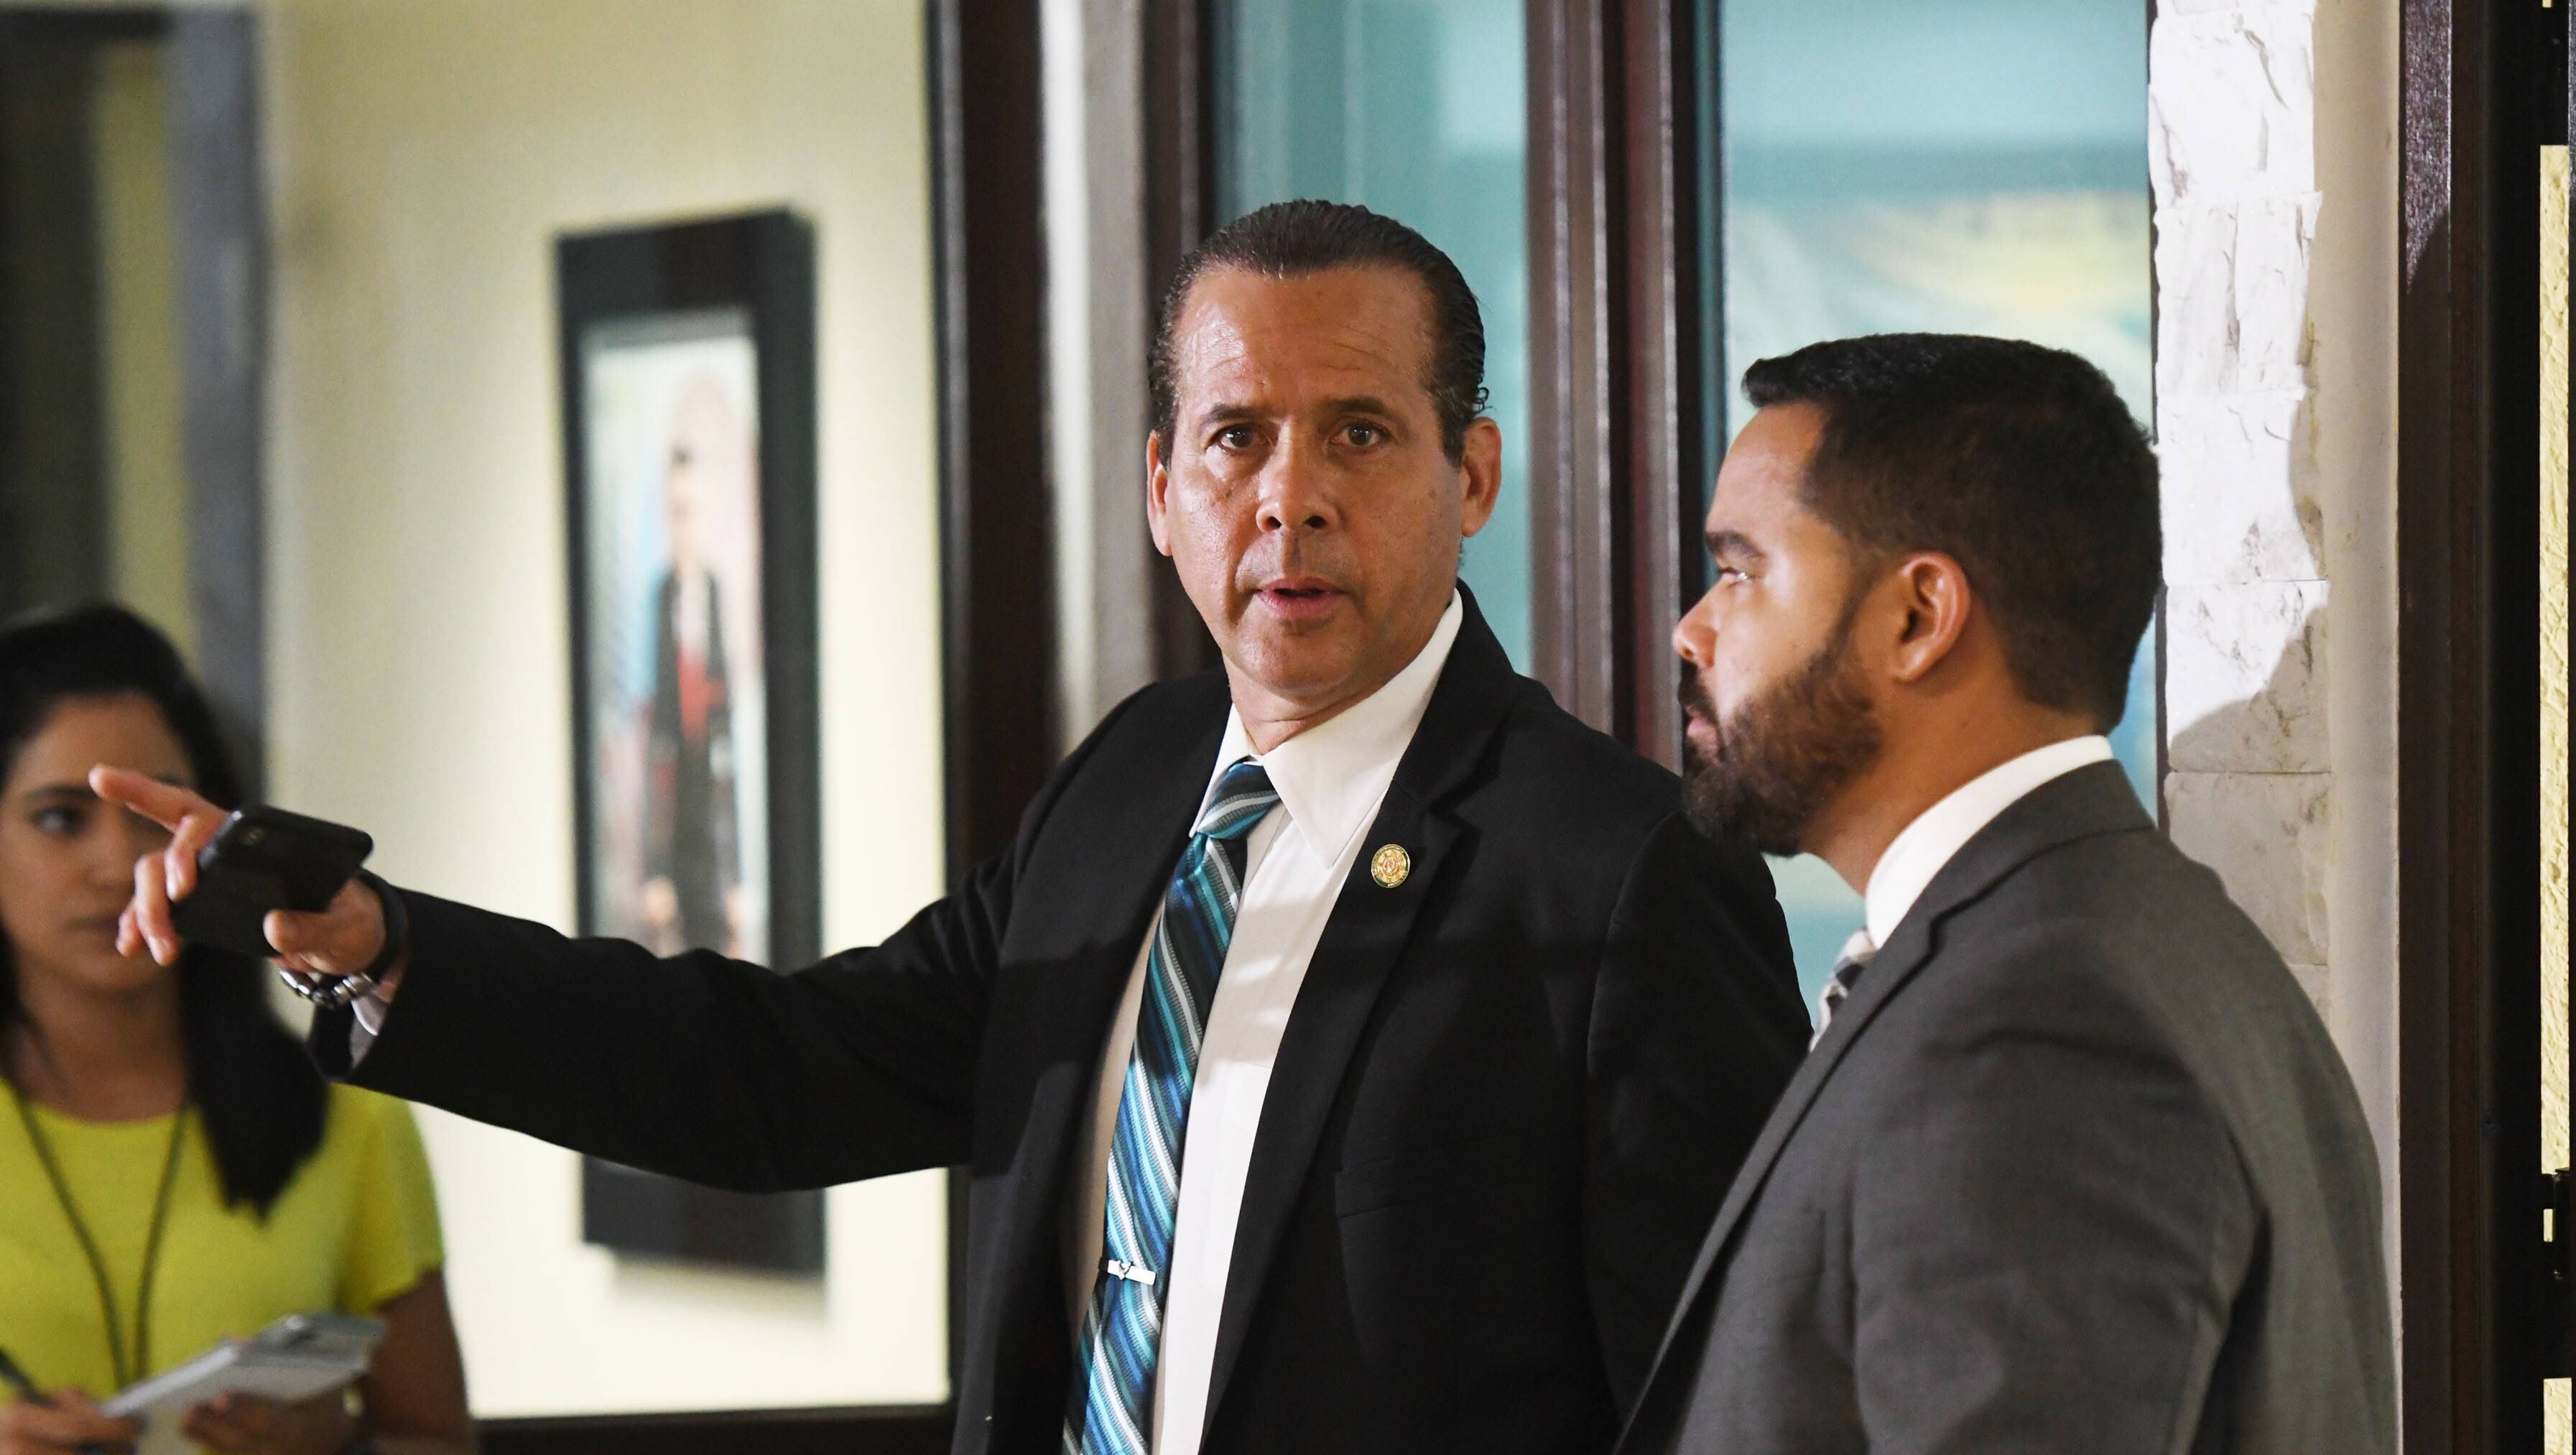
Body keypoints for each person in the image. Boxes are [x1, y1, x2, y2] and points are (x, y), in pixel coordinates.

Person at [103, 202, 1810, 1455]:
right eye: (1237, 438)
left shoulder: (1618, 874)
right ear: (1163, 489)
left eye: (1358, 433)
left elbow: (1733, 1397)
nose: (1290, 496)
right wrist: (386, 948)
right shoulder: (1131, 785)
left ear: (1474, 474)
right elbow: (782, 1072)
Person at [1623, 334, 2394, 1452]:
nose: (1692, 628)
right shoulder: (2125, 939)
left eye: (1741, 569)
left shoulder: (2040, 1024)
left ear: (1919, 615)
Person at [0, 606, 473, 1455]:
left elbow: (439, 1439)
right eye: (61, 818)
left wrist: (337, 1448)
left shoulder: (349, 1119)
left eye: (156, 821)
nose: (120, 866)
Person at [639, 376, 746, 957]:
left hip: (713, 825)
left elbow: (730, 743)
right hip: (675, 820)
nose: (686, 527)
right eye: (677, 512)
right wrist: (654, 866)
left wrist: (738, 875)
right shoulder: (659, 599)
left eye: (694, 512)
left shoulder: (717, 595)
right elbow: (652, 735)